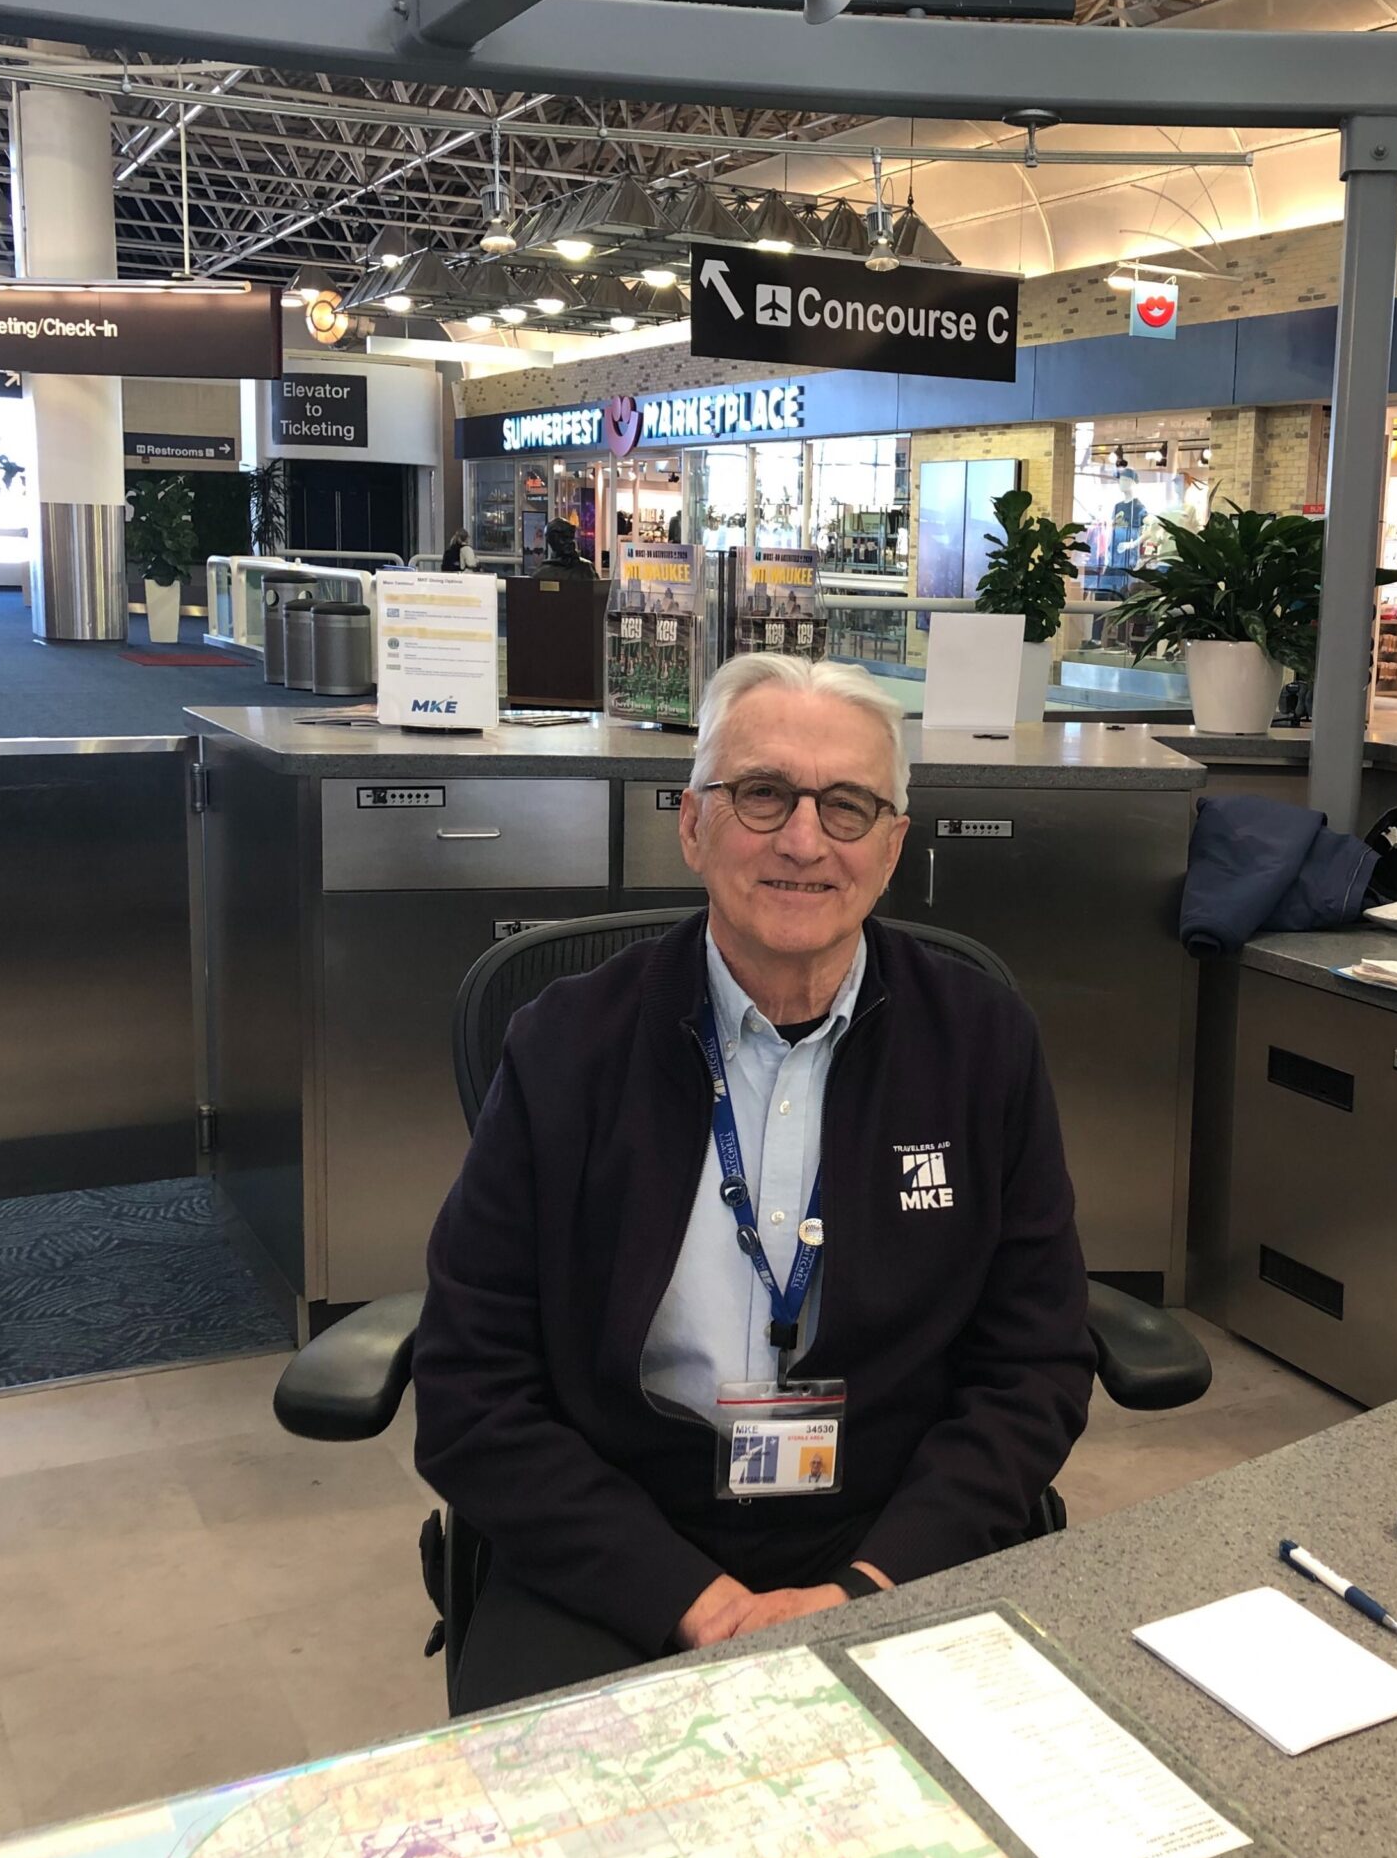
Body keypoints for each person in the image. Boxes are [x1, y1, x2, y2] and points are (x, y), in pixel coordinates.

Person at [413, 654, 1094, 1710]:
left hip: (891, 1528)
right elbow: (471, 1388)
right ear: (692, 825)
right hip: (620, 1537)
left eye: (849, 805)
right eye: (762, 794)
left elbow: (1033, 1366)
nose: (804, 840)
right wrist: (695, 1600)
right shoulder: (566, 1048)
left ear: (892, 847)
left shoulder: (980, 1045)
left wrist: (870, 1586)